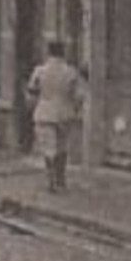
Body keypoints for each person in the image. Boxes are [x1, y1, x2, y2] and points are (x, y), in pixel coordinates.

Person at [26, 38, 85, 193]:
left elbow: (32, 92)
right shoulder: (70, 72)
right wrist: (75, 108)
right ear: (63, 53)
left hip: (44, 113)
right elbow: (79, 95)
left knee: (48, 148)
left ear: (48, 52)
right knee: (62, 147)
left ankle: (50, 180)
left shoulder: (40, 71)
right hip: (64, 112)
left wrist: (34, 106)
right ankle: (61, 179)